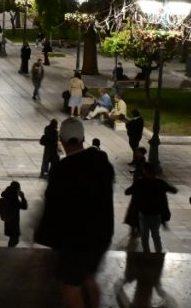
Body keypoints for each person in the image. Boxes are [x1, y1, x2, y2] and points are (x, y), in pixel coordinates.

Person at [34, 117, 114, 308]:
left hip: (76, 240)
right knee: (87, 277)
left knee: (70, 287)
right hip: (101, 235)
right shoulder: (102, 163)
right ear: (83, 138)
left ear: (62, 141)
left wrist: (44, 235)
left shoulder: (62, 170)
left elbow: (53, 206)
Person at [124, 163, 178, 254]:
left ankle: (147, 253)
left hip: (144, 212)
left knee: (144, 235)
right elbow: (174, 190)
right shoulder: (160, 183)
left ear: (145, 171)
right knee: (156, 234)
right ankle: (158, 253)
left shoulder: (140, 182)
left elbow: (127, 192)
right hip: (156, 213)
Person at [0, 181, 28, 247]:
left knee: (13, 239)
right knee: (14, 239)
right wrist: (22, 197)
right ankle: (9, 251)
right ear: (17, 188)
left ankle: (9, 249)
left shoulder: (7, 195)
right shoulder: (14, 197)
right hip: (14, 222)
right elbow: (24, 207)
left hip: (8, 221)